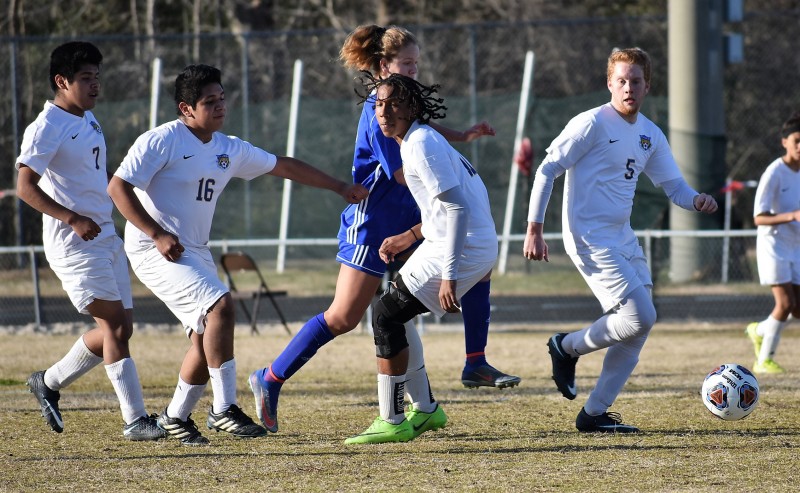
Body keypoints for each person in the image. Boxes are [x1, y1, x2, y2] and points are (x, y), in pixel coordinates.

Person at [248, 24, 518, 438]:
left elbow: (423, 133)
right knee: (345, 316)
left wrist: (459, 139)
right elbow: (406, 170)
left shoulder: (405, 111)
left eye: (416, 64)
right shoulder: (381, 111)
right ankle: (270, 377)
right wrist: (448, 187)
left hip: (407, 223)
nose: (413, 70)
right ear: (383, 66)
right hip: (373, 223)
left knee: (400, 309)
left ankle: (438, 394)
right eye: (406, 63)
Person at [107, 64, 368, 445]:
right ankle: (223, 408)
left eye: (222, 99)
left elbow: (283, 165)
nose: (220, 107)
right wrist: (156, 233)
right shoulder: (161, 140)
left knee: (206, 338)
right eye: (209, 102)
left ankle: (175, 416)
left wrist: (339, 186)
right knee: (221, 307)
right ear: (185, 109)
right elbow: (118, 188)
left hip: (194, 250)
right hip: (154, 248)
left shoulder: (227, 147)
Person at [522, 47, 719, 433]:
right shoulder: (591, 123)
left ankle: (594, 413)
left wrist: (696, 199)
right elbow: (547, 170)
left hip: (622, 236)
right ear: (610, 84)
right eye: (622, 81)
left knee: (638, 326)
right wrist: (534, 229)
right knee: (640, 316)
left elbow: (674, 186)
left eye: (636, 81)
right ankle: (566, 347)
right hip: (589, 237)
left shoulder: (650, 134)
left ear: (647, 87)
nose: (629, 87)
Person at [16, 41, 164, 441]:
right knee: (113, 325)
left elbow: (92, 176)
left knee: (121, 329)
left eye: (97, 76)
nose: (95, 84)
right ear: (61, 81)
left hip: (105, 235)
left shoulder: (88, 118)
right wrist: (72, 218)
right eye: (86, 78)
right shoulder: (47, 126)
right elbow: (25, 187)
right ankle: (135, 420)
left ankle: (48, 382)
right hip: (73, 243)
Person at [344, 73, 500, 444]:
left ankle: (393, 419)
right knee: (394, 311)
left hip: (464, 246)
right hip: (457, 240)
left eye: (394, 104)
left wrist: (449, 276)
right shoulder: (418, 140)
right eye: (379, 104)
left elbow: (458, 209)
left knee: (385, 315)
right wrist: (410, 235)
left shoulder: (421, 144)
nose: (384, 112)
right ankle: (426, 409)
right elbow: (445, 209)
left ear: (413, 107)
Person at [746, 112, 800, 374]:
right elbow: (759, 217)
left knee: (797, 310)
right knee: (785, 304)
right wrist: (792, 216)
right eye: (797, 140)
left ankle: (758, 330)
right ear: (785, 142)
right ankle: (763, 360)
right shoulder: (774, 172)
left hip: (796, 247)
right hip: (773, 246)